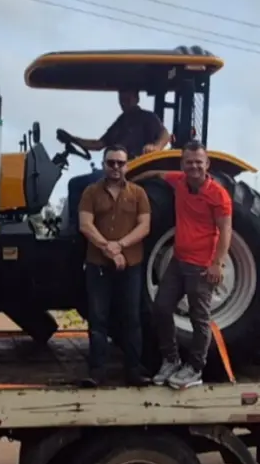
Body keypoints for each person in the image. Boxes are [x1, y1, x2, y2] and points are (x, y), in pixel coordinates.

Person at [139, 140, 232, 390]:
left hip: (201, 266)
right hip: (178, 261)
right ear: (182, 164)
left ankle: (195, 368)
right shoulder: (179, 181)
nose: (194, 167)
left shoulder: (218, 195)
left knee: (199, 318)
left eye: (198, 162)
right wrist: (132, 178)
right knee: (161, 308)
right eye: (189, 162)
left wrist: (217, 264)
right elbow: (156, 173)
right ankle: (171, 359)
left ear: (207, 163)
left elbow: (225, 230)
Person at [77, 145, 153, 387]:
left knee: (131, 317)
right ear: (103, 164)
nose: (116, 167)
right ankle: (97, 372)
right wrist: (107, 248)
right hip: (98, 264)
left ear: (127, 165)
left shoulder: (139, 193)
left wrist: (119, 245)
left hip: (131, 265)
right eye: (111, 163)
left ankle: (133, 370)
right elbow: (85, 224)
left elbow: (144, 226)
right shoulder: (91, 192)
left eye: (120, 163)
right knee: (98, 318)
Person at [63, 90, 170, 232]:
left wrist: (156, 147)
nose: (124, 102)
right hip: (115, 166)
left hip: (131, 168)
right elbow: (99, 144)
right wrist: (73, 139)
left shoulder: (147, 117)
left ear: (136, 98)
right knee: (78, 182)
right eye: (121, 98)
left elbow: (165, 134)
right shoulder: (121, 122)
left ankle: (76, 231)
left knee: (77, 184)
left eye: (127, 98)